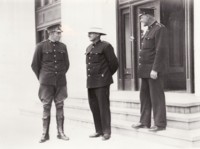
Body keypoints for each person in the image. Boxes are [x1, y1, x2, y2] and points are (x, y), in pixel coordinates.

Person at [31, 24, 70, 143]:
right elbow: (35, 65)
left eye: (60, 33)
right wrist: (43, 77)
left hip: (60, 82)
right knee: (46, 107)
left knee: (60, 106)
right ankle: (44, 133)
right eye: (58, 33)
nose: (60, 35)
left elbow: (66, 64)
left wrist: (60, 75)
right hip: (46, 82)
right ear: (51, 33)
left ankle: (60, 132)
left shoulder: (63, 46)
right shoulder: (40, 46)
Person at [131, 9, 168, 132]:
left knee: (156, 97)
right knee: (144, 97)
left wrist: (155, 69)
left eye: (141, 17)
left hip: (153, 70)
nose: (140, 19)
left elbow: (161, 51)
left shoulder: (159, 29)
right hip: (145, 70)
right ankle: (144, 121)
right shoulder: (149, 30)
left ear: (148, 16)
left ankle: (160, 124)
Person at [85, 27, 118, 140]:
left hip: (102, 82)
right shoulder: (89, 47)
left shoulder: (106, 46)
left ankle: (106, 132)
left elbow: (114, 64)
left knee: (103, 107)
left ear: (98, 34)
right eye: (89, 32)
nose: (89, 34)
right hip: (91, 81)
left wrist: (105, 76)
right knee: (94, 106)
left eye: (92, 32)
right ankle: (98, 130)